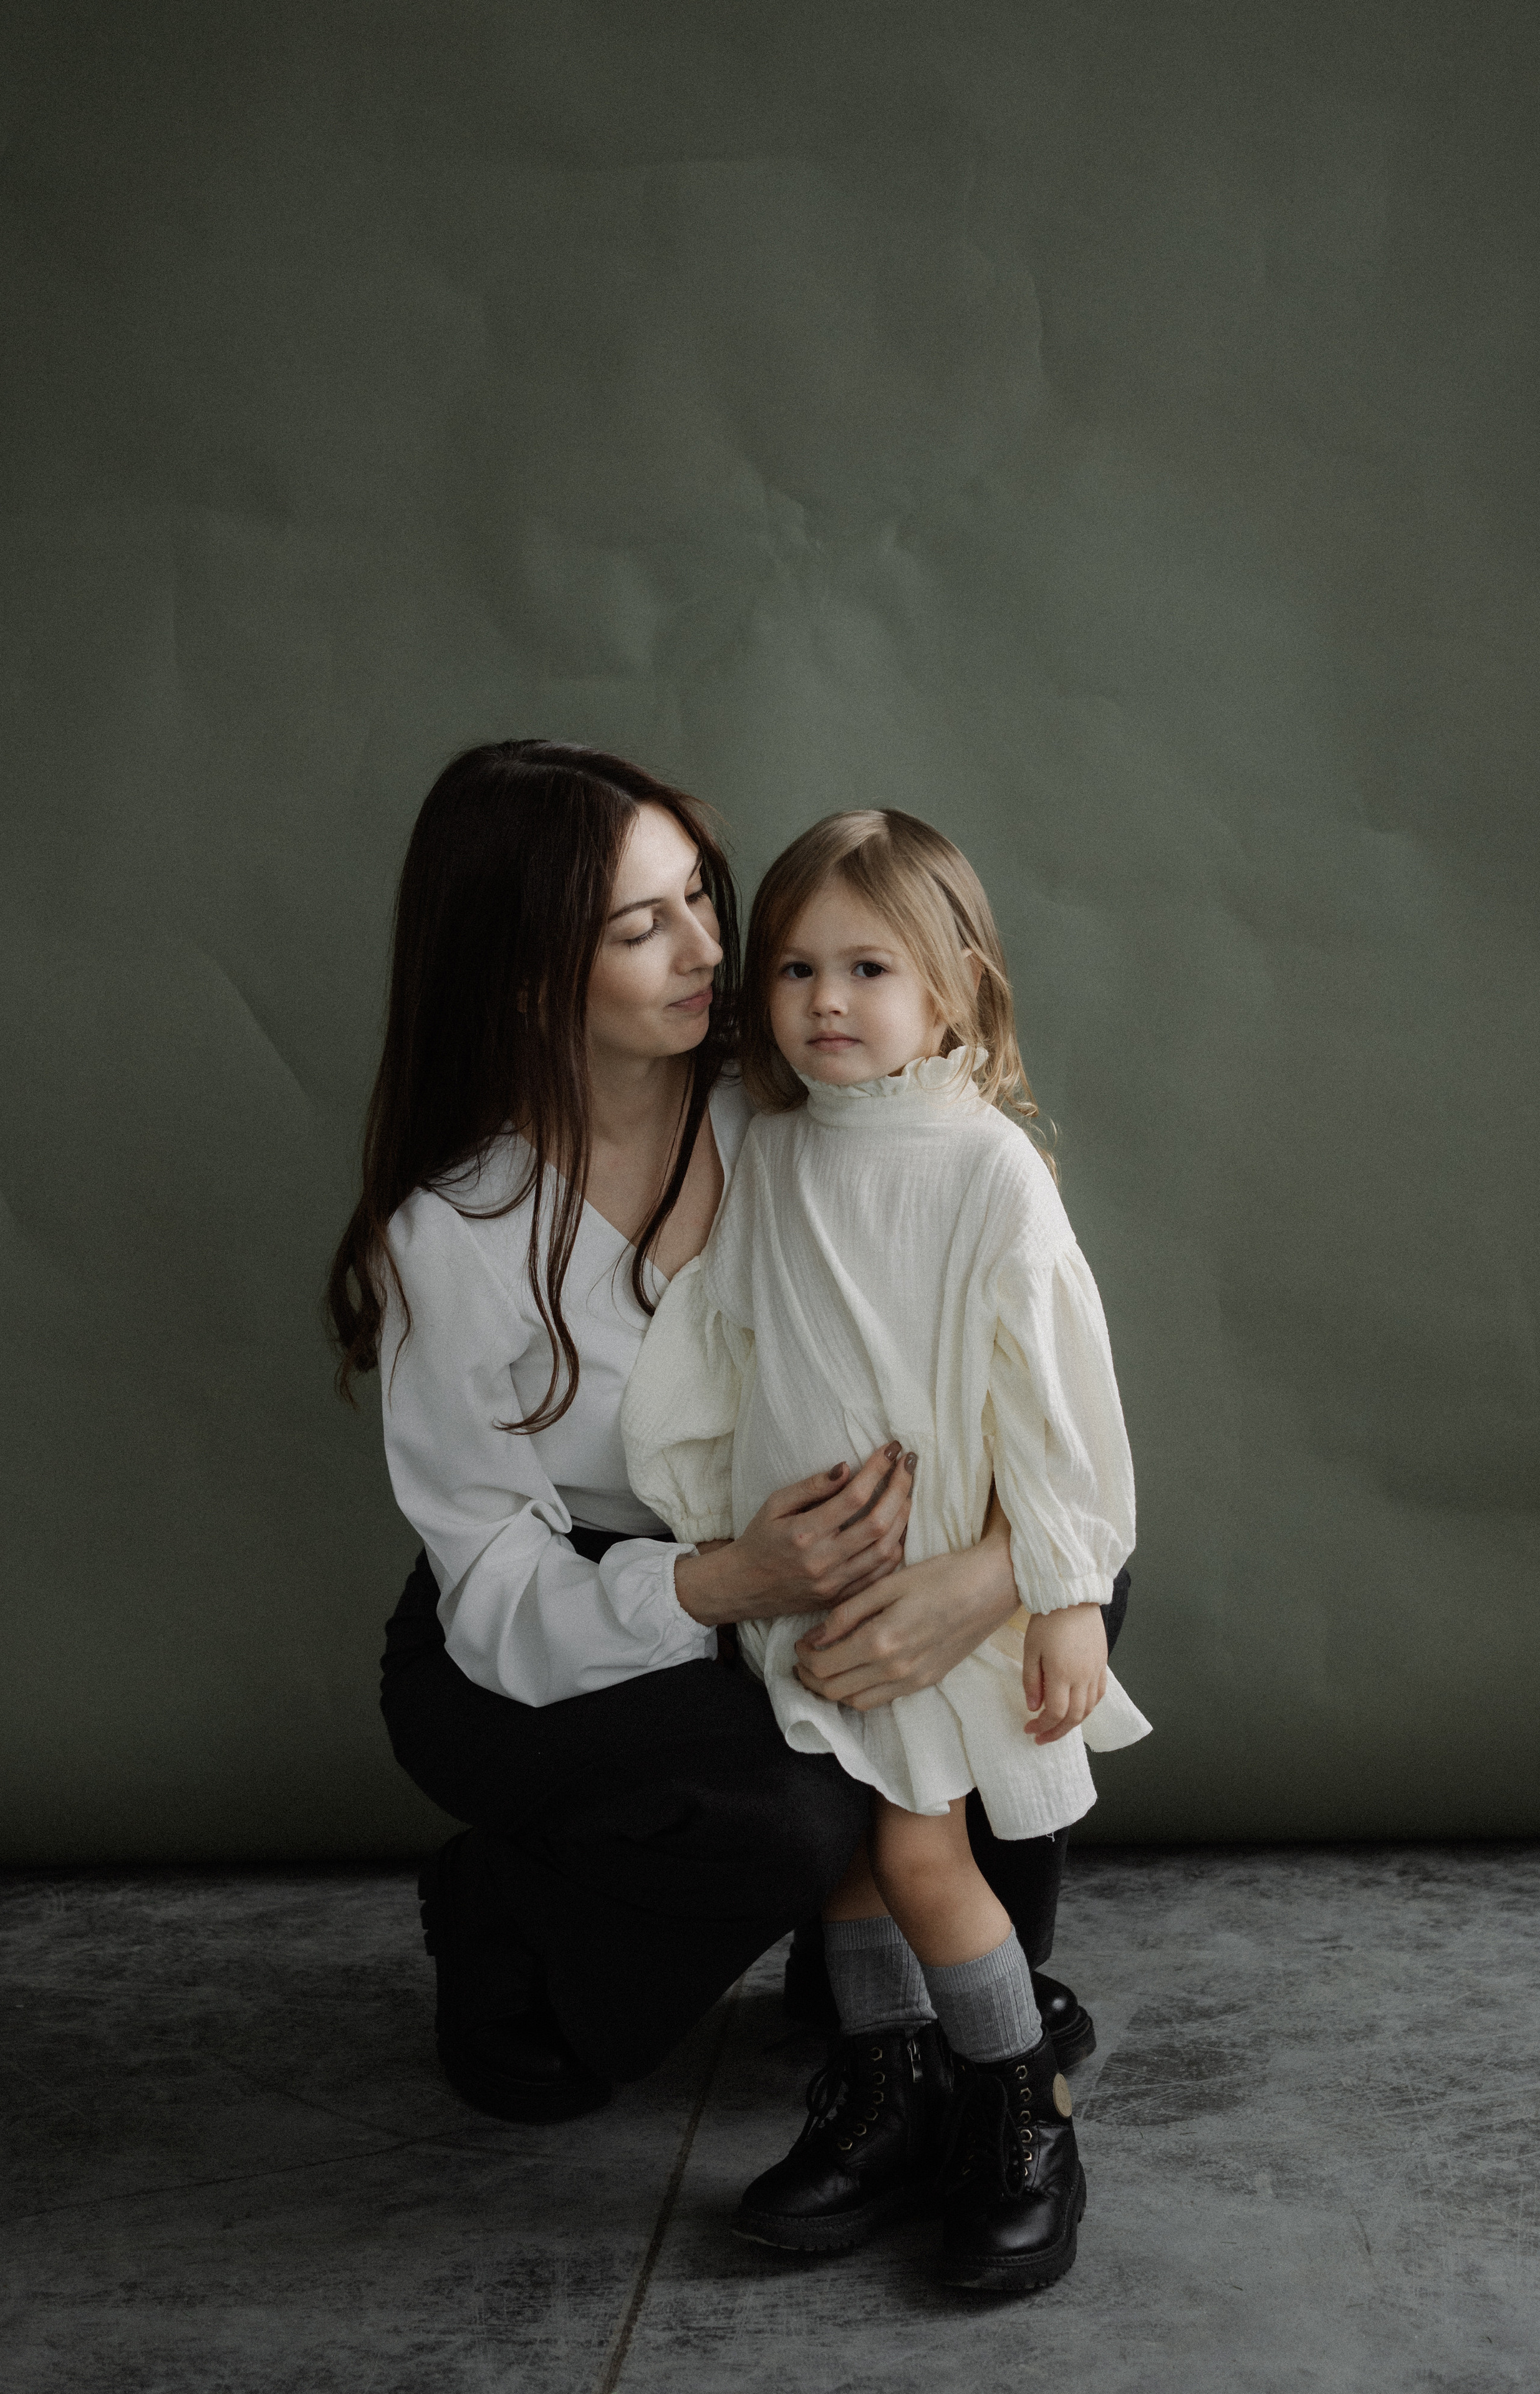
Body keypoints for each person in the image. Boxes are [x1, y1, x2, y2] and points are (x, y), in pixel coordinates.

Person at [325, 739, 1119, 2141]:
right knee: (789, 1817)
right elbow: (492, 1583)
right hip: (550, 1619)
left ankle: (908, 1988)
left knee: (1074, 1588)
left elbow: (1024, 1366)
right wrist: (727, 1583)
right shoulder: (451, 1235)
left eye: (702, 896)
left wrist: (980, 1580)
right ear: (525, 974)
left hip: (821, 1567)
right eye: (644, 926)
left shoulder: (796, 1104)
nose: (710, 948)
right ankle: (505, 1913)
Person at [622, 809, 1148, 2294]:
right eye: (792, 969)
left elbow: (1049, 1399)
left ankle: (1020, 2108)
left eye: (868, 967)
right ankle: (885, 2091)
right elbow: (727, 1341)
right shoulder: (774, 1151)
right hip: (811, 1593)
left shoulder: (984, 1170)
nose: (826, 1002)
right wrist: (709, 1516)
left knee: (921, 1854)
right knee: (847, 1857)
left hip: (930, 1590)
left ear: (955, 987)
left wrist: (1059, 1589)